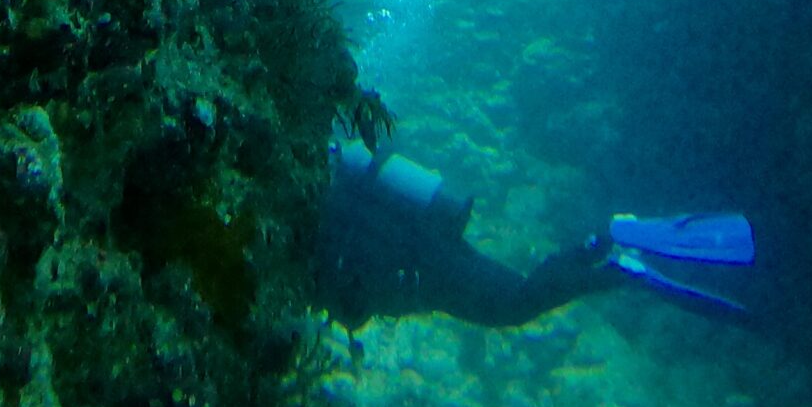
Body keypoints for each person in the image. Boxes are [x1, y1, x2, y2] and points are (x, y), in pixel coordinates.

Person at [315, 138, 754, 331]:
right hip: (426, 250)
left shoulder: (321, 224)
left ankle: (611, 256)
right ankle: (600, 252)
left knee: (514, 303)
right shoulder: (334, 200)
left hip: (421, 265)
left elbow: (350, 306)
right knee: (516, 297)